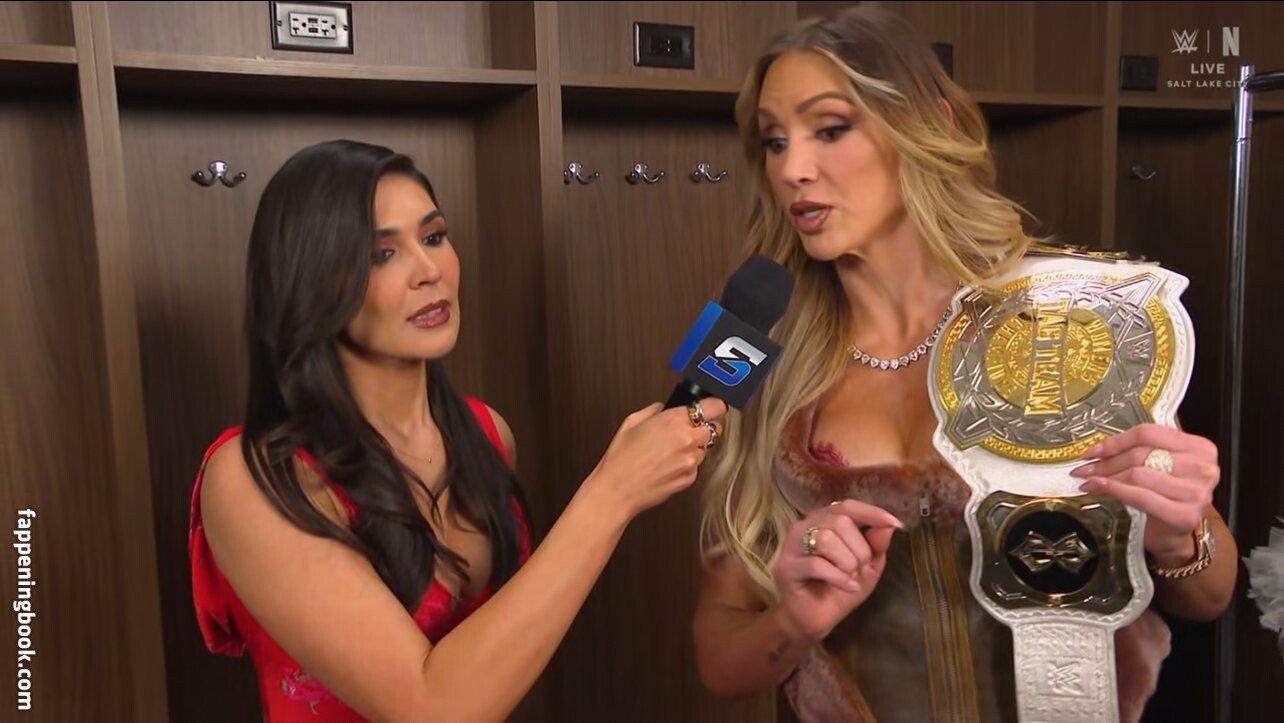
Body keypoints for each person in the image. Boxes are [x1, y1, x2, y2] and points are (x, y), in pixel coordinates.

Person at [691, 7, 1238, 723]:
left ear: (930, 124)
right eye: (774, 141)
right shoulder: (752, 350)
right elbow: (717, 660)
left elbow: (1209, 595)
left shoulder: (1066, 319)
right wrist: (793, 617)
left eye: (830, 128)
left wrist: (1176, 533)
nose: (793, 169)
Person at [189, 139, 726, 722]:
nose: (429, 272)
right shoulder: (253, 478)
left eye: (434, 237)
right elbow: (432, 710)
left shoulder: (486, 434)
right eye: (381, 254)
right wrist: (613, 492)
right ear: (308, 282)